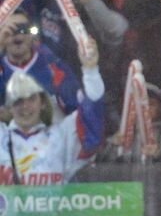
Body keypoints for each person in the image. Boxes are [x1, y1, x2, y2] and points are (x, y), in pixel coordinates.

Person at [0, 43, 105, 186]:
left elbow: (92, 113)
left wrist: (91, 71)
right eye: (18, 100)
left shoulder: (61, 137)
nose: (25, 106)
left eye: (31, 98)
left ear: (42, 103)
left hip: (54, 209)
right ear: (10, 107)